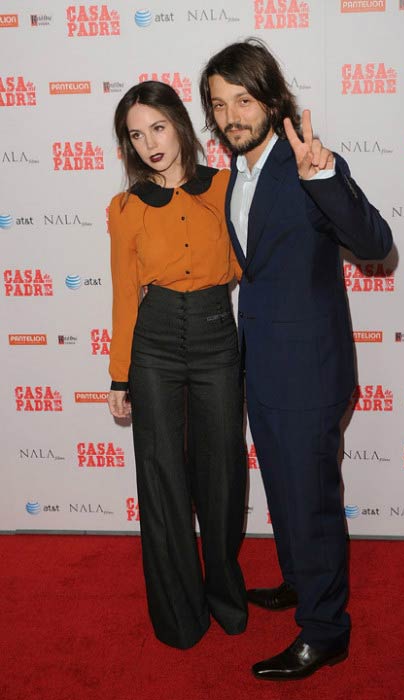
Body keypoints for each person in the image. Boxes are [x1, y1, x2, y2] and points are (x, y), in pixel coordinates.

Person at [200, 39, 393, 680]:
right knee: (285, 490)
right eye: (219, 104)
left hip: (308, 372)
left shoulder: (305, 161)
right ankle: (299, 584)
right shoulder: (239, 176)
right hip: (264, 365)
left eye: (244, 100)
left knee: (309, 500)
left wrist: (324, 175)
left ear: (271, 97)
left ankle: (325, 631)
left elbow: (373, 241)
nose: (232, 115)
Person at [107, 80, 248, 649]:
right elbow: (122, 295)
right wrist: (119, 374)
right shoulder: (125, 209)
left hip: (217, 332)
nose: (150, 144)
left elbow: (250, 261)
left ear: (181, 125)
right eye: (136, 136)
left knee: (221, 472)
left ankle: (225, 595)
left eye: (157, 128)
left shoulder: (226, 187)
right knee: (162, 477)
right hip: (155, 341)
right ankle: (179, 614)